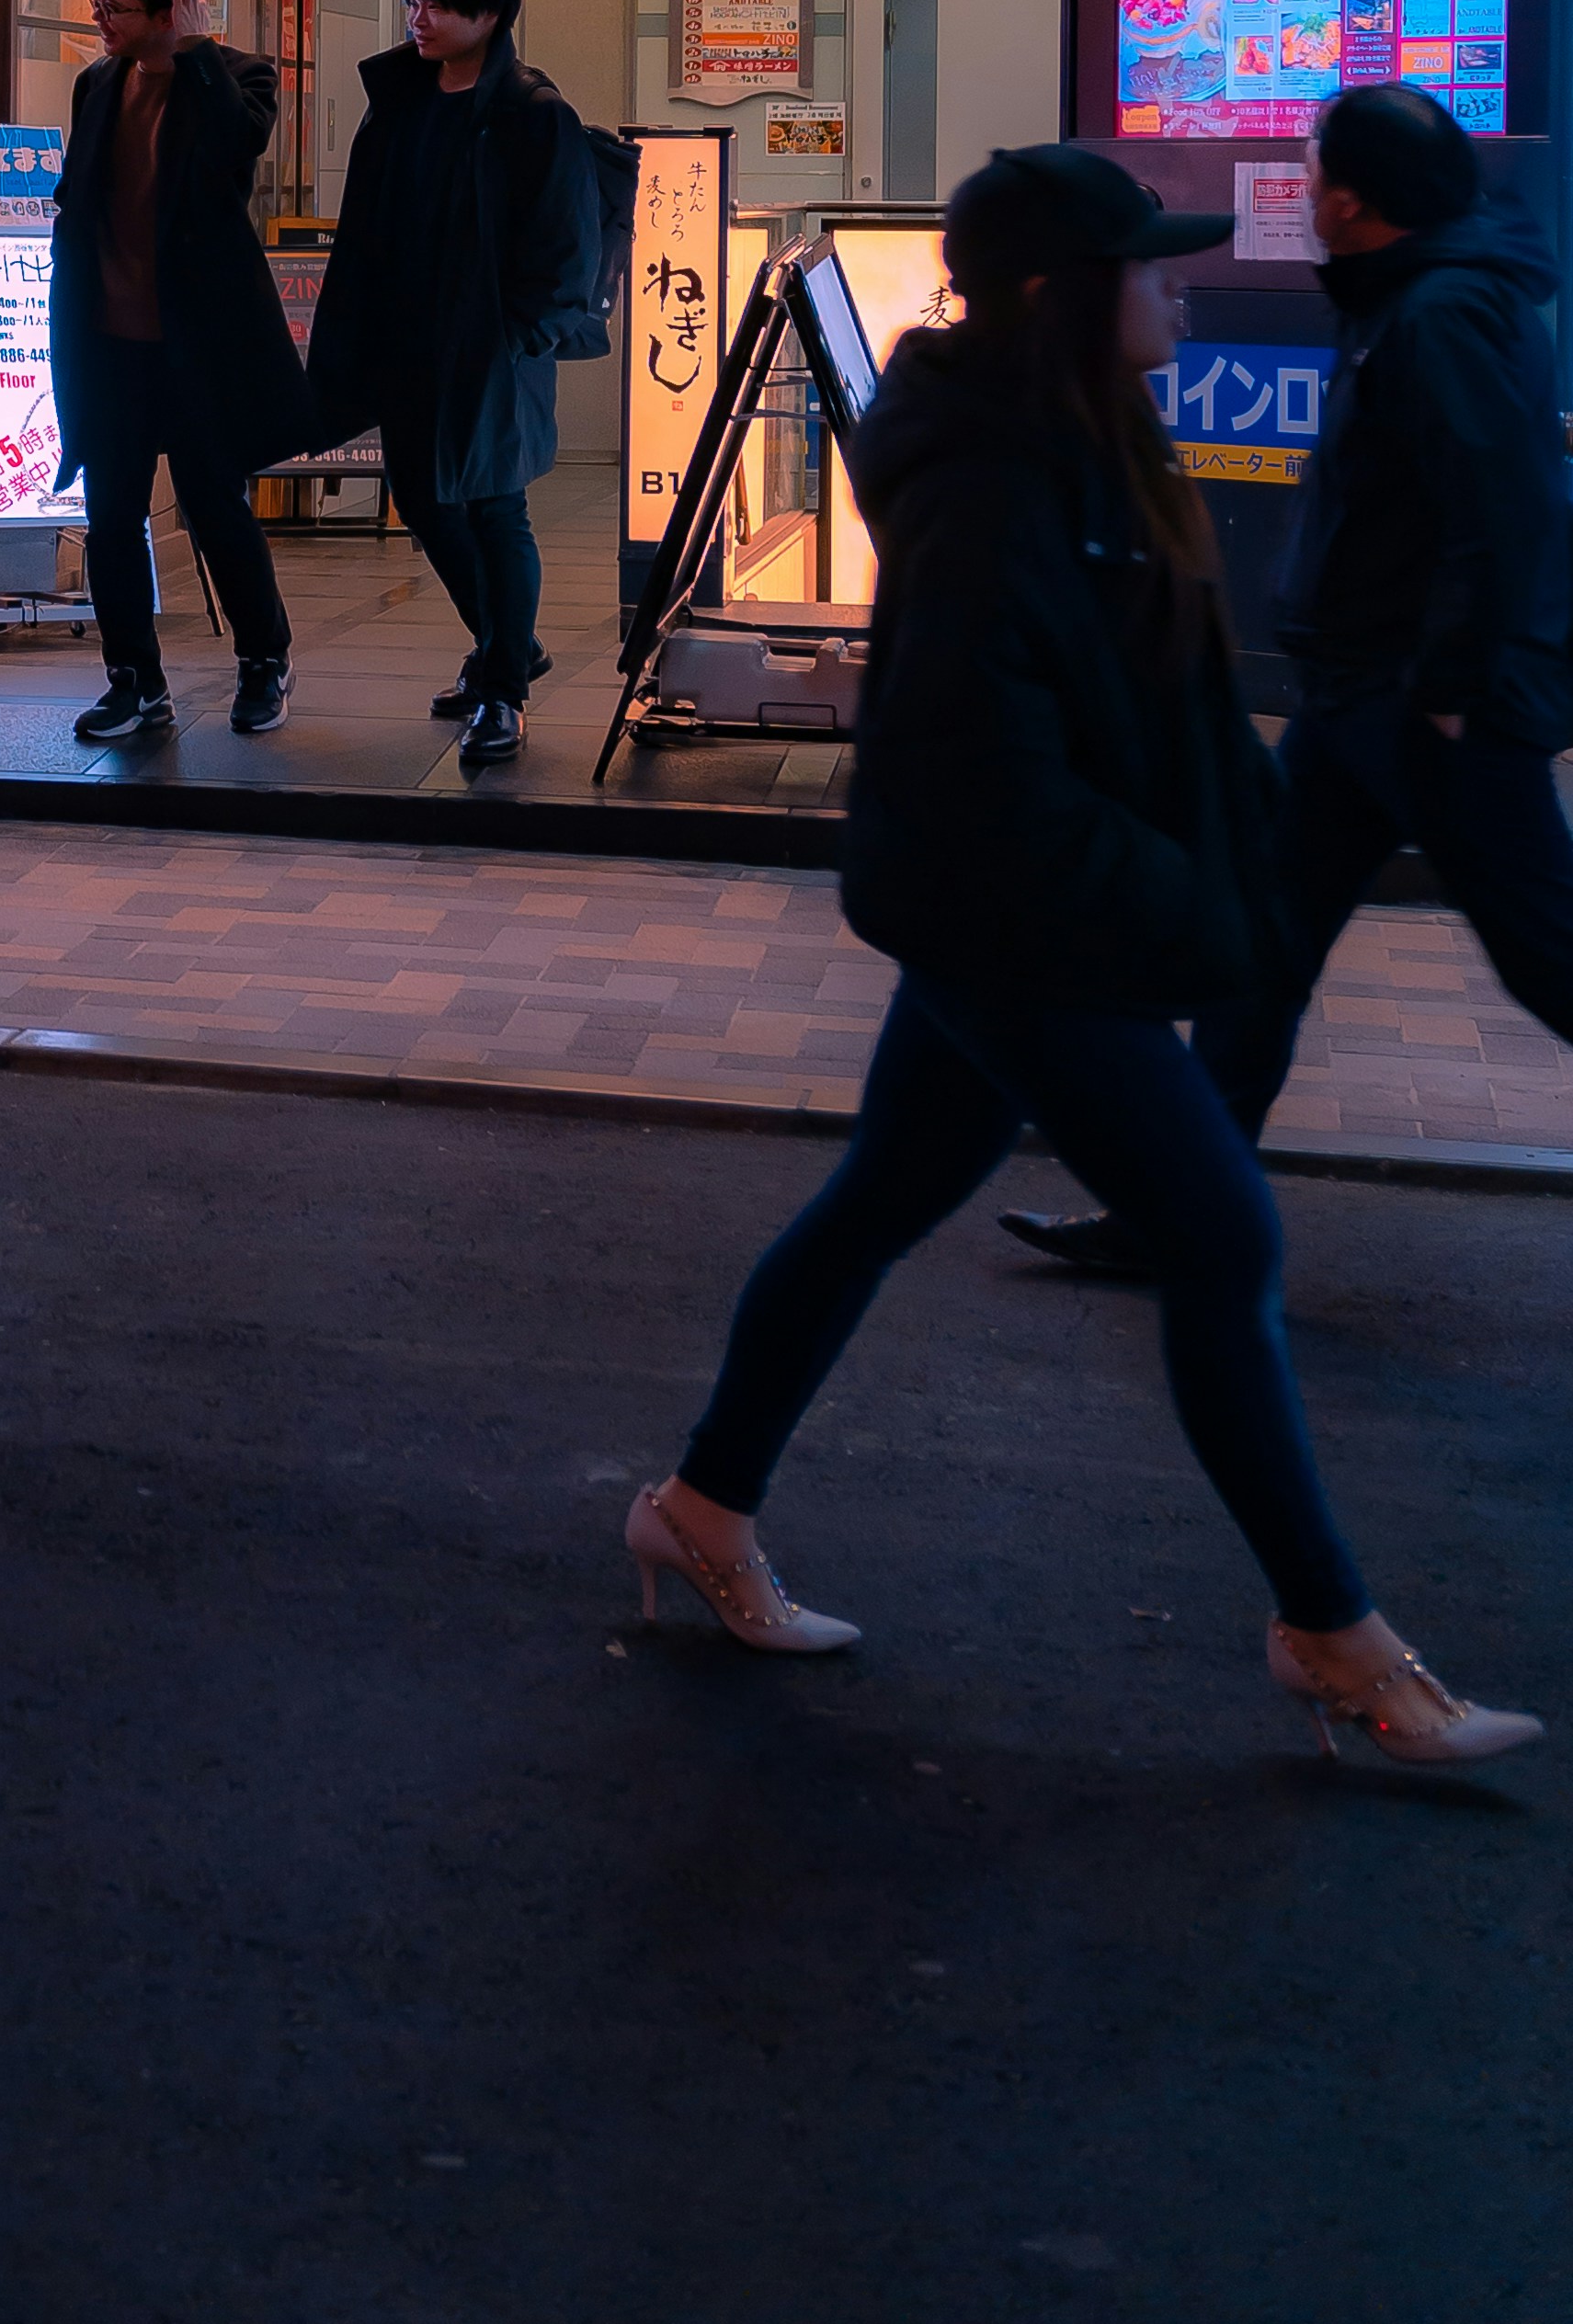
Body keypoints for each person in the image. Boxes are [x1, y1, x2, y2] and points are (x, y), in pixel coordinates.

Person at [624, 143, 1533, 1768]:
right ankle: (1334, 1637)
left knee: (877, 1207)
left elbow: (1152, 710)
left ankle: (698, 1507)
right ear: (1068, 296)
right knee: (1223, 1237)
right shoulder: (995, 483)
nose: (1178, 290)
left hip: (1015, 917)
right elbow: (984, 765)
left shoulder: (1078, 448)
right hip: (1022, 932)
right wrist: (1176, 899)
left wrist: (1226, 841)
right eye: (1152, 270)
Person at [1009, 78, 1573, 1281]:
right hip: (1360, 707)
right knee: (1254, 947)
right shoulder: (1412, 297)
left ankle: (1176, 1208)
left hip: (1434, 715)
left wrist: (1454, 690)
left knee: (1547, 954)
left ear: (1356, 203)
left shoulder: (1443, 315)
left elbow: (1508, 515)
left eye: (1317, 175)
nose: (1305, 193)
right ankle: (1177, 1207)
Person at [305, 0, 604, 774]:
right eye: (415, 0)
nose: (419, 17)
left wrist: (521, 336)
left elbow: (565, 242)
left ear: (491, 16)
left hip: (493, 348)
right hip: (405, 339)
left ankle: (502, 688)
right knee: (425, 500)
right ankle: (506, 642)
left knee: (495, 509)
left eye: (439, 4)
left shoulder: (530, 110)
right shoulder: (399, 98)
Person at [49, 0, 316, 751]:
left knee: (215, 509)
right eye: (99, 2)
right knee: (112, 514)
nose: (101, 19)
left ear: (173, 8)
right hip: (109, 343)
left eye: (115, 8)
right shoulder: (98, 84)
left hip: (199, 346)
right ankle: (134, 681)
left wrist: (196, 53)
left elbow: (233, 152)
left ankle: (264, 657)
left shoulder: (239, 76)